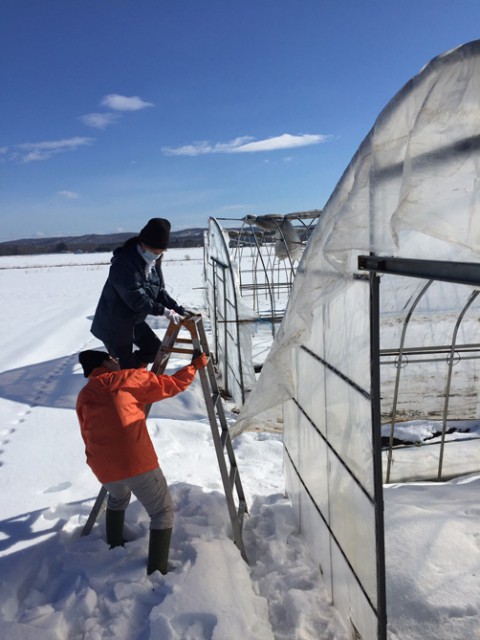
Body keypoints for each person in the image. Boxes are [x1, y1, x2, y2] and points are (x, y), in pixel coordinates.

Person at [76, 348, 208, 575]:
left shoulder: (84, 395)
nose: (117, 359)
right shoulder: (126, 379)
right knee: (162, 512)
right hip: (135, 461)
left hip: (102, 466)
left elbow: (86, 430)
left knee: (118, 497)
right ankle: (157, 571)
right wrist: (194, 366)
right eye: (112, 357)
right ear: (107, 363)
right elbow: (171, 384)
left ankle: (114, 544)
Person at [91, 218, 188, 369]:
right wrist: (162, 310)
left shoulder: (152, 263)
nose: (156, 254)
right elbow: (135, 296)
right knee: (124, 364)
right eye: (154, 251)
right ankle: (122, 383)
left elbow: (159, 290)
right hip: (115, 322)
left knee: (154, 349)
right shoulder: (124, 262)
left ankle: (136, 377)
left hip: (133, 320)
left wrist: (177, 308)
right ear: (143, 244)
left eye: (160, 251)